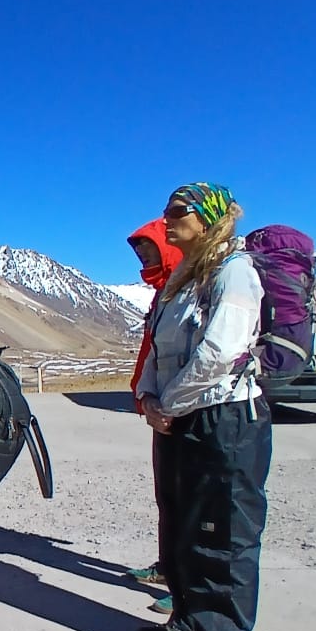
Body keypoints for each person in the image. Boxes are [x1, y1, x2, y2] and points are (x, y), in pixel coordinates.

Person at [135, 183, 270, 631]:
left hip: (224, 421)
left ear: (208, 217)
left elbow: (220, 351)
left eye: (177, 212)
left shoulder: (234, 273)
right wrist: (149, 396)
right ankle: (189, 619)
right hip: (179, 419)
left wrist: (169, 403)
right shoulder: (181, 282)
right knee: (183, 524)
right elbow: (158, 346)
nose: (166, 221)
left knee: (222, 535)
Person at [123, 220, 185, 606]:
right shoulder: (163, 291)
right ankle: (169, 567)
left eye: (149, 249)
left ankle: (186, 587)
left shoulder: (183, 289)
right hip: (160, 403)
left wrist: (171, 401)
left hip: (179, 406)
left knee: (185, 498)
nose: (143, 256)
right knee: (169, 496)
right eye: (139, 250)